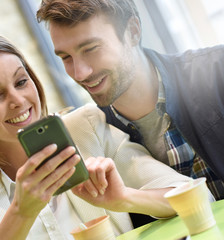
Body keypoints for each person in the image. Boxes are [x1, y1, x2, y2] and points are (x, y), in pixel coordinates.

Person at [0, 30, 193, 240]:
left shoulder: (86, 127)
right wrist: (21, 212)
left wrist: (125, 198)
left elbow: (192, 196)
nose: (17, 100)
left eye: (21, 82)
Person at [36, 0, 224, 200]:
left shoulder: (217, 70)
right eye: (66, 57)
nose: (80, 73)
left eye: (91, 49)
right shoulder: (97, 135)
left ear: (133, 32)